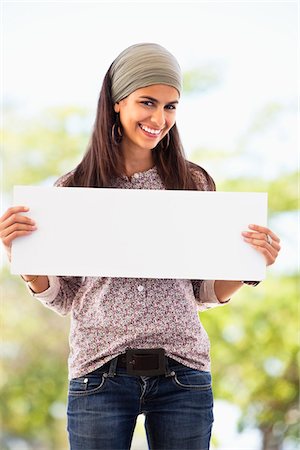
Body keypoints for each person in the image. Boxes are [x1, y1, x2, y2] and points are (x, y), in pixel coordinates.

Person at [0, 43, 281, 450]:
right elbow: (65, 297)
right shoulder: (75, 188)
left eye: (170, 106)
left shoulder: (194, 184)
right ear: (117, 102)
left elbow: (203, 292)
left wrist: (250, 264)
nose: (159, 118)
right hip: (99, 373)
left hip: (183, 373)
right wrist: (25, 258)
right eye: (147, 102)